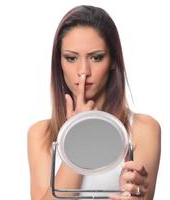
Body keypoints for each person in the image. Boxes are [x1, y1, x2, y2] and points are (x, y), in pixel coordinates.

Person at [27, 5, 161, 200]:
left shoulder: (142, 129)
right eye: (71, 58)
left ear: (113, 60)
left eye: (96, 58)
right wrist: (77, 132)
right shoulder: (41, 134)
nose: (84, 71)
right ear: (59, 62)